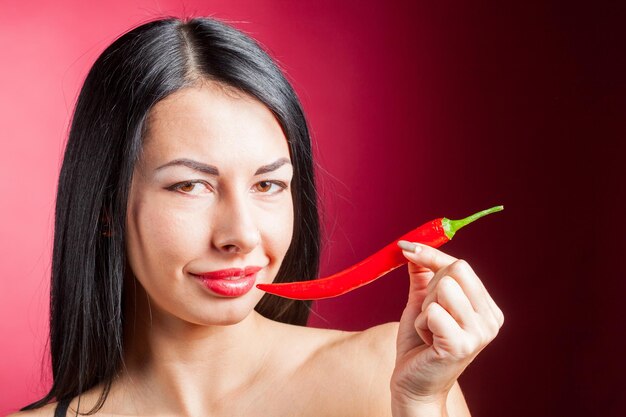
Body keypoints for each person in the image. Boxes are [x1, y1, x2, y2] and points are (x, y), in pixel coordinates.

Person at [10, 17, 503, 417]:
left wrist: (419, 403)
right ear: (106, 208)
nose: (242, 235)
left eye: (268, 185)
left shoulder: (386, 375)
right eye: (190, 186)